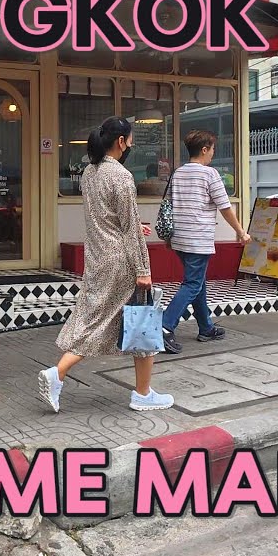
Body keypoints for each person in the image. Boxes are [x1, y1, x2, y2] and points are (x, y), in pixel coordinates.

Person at [38, 116, 173, 413]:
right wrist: (143, 270)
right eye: (131, 138)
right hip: (121, 261)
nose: (133, 144)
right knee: (142, 322)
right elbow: (125, 228)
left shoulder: (90, 172)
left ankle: (142, 391)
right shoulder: (122, 176)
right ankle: (60, 373)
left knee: (104, 320)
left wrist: (135, 226)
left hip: (98, 257)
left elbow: (108, 217)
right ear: (121, 141)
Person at [161, 130, 251, 354]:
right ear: (204, 150)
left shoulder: (178, 173)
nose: (212, 153)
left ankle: (206, 328)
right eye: (212, 149)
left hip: (180, 238)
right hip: (197, 238)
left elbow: (169, 206)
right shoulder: (209, 174)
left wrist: (169, 238)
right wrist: (240, 231)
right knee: (192, 284)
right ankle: (163, 326)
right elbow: (225, 206)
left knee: (197, 282)